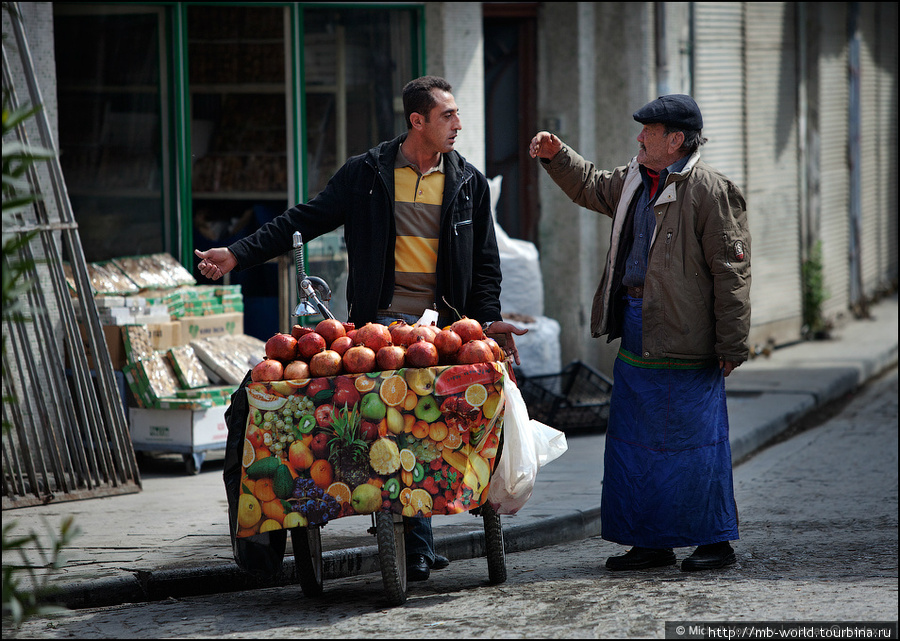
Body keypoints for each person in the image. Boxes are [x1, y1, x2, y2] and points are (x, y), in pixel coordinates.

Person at [197, 75, 527, 582]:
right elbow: (303, 219)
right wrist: (238, 253)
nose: (458, 124)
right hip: (381, 332)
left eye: (457, 115)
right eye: (447, 116)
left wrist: (485, 328)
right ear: (417, 121)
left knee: (428, 430)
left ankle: (416, 540)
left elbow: (485, 267)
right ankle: (411, 544)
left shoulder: (469, 184)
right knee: (396, 425)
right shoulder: (368, 175)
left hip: (445, 333)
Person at [528, 94, 751, 572]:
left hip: (689, 338)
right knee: (635, 444)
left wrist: (732, 343)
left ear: (675, 140)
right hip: (636, 327)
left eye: (648, 131)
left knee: (695, 446)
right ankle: (650, 543)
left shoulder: (711, 190)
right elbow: (590, 186)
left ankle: (714, 542)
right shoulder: (634, 179)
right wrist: (556, 155)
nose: (638, 138)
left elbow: (732, 273)